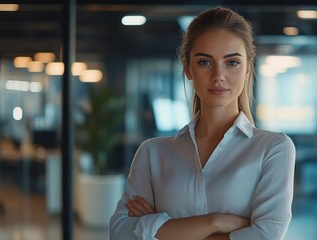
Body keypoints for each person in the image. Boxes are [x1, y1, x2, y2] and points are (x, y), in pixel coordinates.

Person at [110, 6, 296, 240]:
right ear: (187, 67)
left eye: (232, 62)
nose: (219, 75)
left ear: (248, 67)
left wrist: (162, 227)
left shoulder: (273, 149)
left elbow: (266, 236)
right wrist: (215, 222)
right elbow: (120, 233)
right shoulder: (152, 153)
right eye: (205, 62)